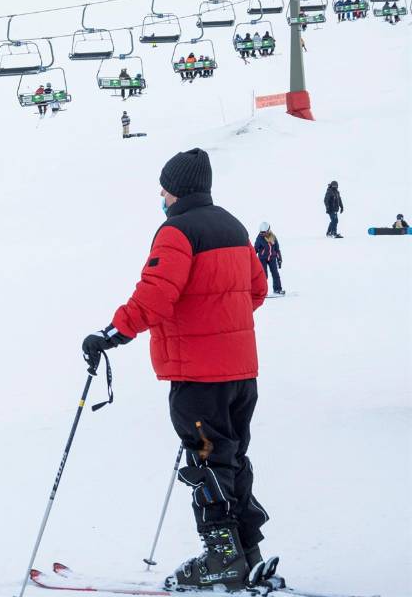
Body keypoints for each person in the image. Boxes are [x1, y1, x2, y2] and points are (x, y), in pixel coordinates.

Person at [80, 148, 270, 590]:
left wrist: (111, 335)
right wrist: (220, 322)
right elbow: (256, 291)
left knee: (206, 461)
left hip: (199, 377)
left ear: (177, 190)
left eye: (163, 189)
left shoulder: (177, 231)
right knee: (230, 458)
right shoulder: (233, 226)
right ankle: (246, 551)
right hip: (242, 374)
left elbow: (154, 297)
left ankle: (222, 559)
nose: (161, 197)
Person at [253, 222, 284, 295]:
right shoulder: (259, 238)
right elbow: (255, 249)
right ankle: (262, 291)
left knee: (275, 274)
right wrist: (252, 259)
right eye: (261, 232)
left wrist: (279, 259)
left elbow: (277, 249)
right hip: (262, 259)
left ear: (268, 231)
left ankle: (277, 289)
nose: (262, 234)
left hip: (272, 258)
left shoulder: (273, 237)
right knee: (264, 275)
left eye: (264, 232)